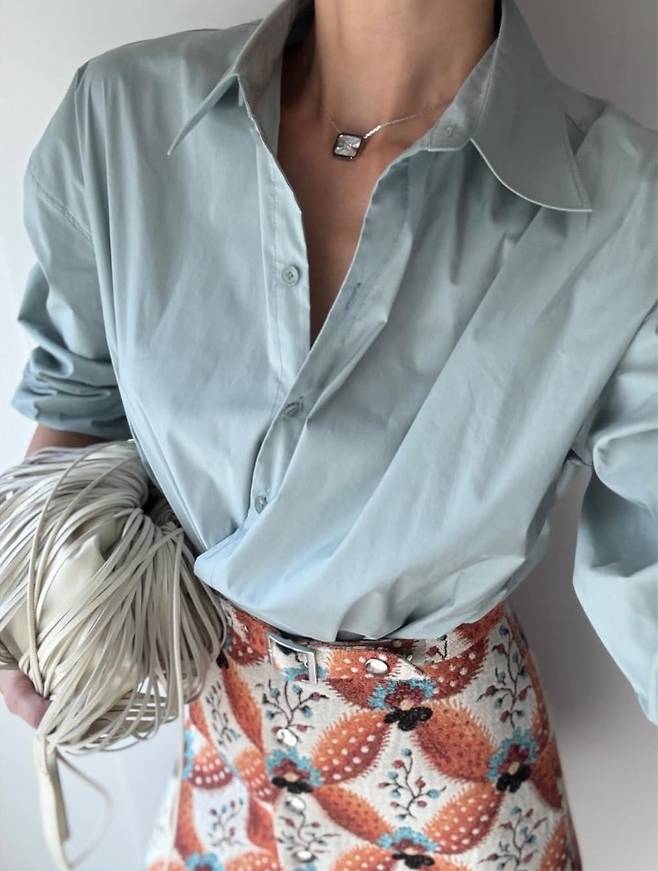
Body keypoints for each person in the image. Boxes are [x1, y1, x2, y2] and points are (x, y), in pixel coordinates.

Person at [3, 0, 656, 868]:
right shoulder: (123, 120)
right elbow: (81, 407)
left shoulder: (629, 212)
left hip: (452, 786)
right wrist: (32, 611)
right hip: (223, 755)